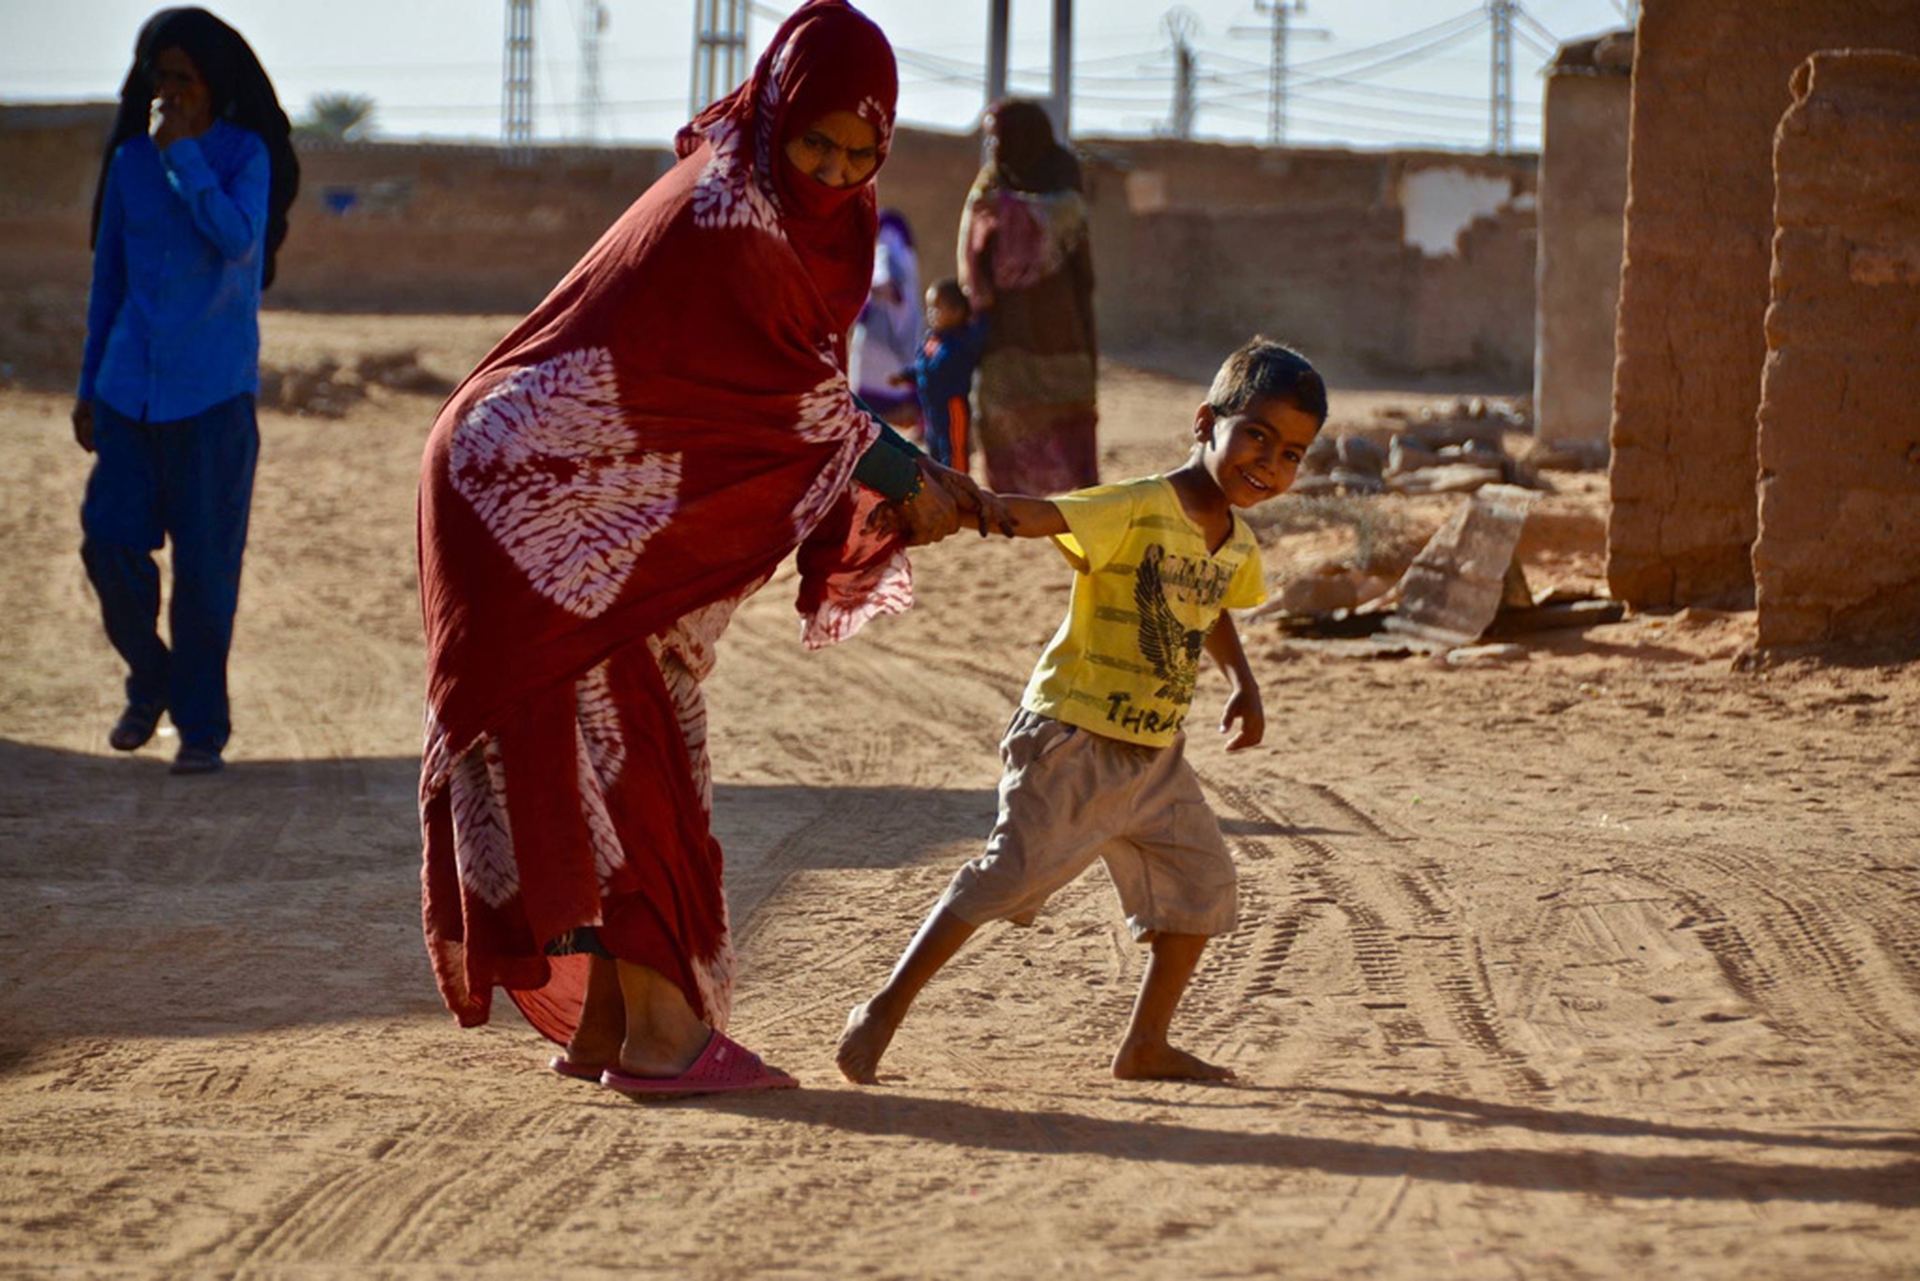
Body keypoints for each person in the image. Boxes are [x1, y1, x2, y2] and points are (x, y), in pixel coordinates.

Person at [417, 0, 1003, 1100]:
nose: (832, 172)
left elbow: (785, 399)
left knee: (604, 751)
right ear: (775, 114)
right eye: (814, 143)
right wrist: (920, 480)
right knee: (634, 755)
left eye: (859, 153)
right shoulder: (732, 213)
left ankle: (608, 1025)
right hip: (535, 494)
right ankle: (664, 1039)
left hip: (568, 489)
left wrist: (914, 474)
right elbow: (797, 409)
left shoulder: (814, 227)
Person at [837, 337, 1327, 1085]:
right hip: (1073, 737)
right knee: (1005, 877)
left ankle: (1145, 1045)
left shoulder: (1238, 543)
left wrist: (1244, 683)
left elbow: (1211, 607)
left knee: (1201, 887)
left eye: (1292, 453)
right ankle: (881, 1009)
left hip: (1155, 757)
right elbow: (1046, 516)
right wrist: (963, 507)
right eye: (1257, 436)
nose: (1271, 462)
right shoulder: (1138, 505)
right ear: (1206, 423)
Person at [72, 7, 299, 776]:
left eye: (184, 79)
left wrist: (186, 159)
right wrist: (88, 386)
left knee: (205, 577)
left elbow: (237, 239)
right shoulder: (130, 163)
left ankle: (200, 730)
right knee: (108, 544)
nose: (169, 92)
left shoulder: (243, 157)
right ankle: (153, 677)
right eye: (159, 78)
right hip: (126, 393)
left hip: (212, 400)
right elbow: (108, 282)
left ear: (212, 86)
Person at [960, 98, 1099, 496]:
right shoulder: (991, 179)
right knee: (1003, 415)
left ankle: (1068, 504)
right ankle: (1011, 502)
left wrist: (1007, 211)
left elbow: (1070, 220)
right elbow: (972, 235)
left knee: (1064, 419)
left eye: (999, 137)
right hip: (1004, 327)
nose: (994, 147)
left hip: (1058, 325)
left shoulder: (1061, 171)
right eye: (989, 139)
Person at [889, 278, 988, 471]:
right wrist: (905, 377)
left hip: (952, 408)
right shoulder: (932, 340)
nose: (931, 314)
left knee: (954, 453)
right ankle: (941, 485)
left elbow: (981, 334)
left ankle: (959, 486)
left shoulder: (963, 340)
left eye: (937, 308)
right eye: (929, 308)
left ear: (957, 312)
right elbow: (924, 370)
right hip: (931, 411)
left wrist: (983, 311)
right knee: (934, 452)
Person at [850, 208, 922, 428]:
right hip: (900, 342)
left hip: (881, 340)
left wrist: (859, 291)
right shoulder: (907, 256)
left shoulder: (887, 248)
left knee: (871, 414)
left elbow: (887, 283)